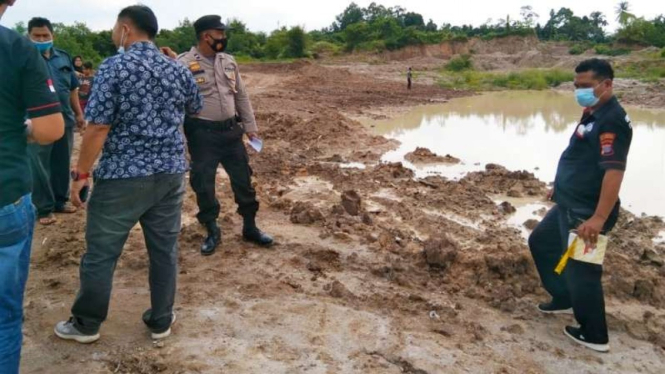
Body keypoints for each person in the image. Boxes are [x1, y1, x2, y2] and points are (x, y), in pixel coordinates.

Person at [53, 5, 202, 343]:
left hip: (124, 175)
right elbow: (195, 107)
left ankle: (86, 324)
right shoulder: (176, 69)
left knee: (101, 253)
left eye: (114, 28)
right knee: (163, 251)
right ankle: (161, 320)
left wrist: (81, 174)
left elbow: (98, 126)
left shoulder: (114, 67)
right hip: (169, 173)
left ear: (125, 28)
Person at [529, 59, 632, 353]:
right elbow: (577, 154)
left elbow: (614, 172)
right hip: (567, 202)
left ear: (606, 85)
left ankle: (594, 333)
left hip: (587, 211)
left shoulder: (611, 120)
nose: (580, 92)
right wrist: (558, 184)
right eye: (576, 87)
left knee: (583, 271)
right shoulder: (592, 111)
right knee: (542, 243)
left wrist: (599, 217)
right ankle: (563, 297)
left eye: (586, 87)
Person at [0, 0, 65, 371]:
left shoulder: (59, 58)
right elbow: (49, 129)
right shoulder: (15, 49)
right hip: (4, 194)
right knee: (3, 316)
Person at [176, 15, 273, 256]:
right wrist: (180, 139)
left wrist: (250, 127)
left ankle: (250, 227)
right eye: (220, 34)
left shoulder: (228, 61)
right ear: (206, 36)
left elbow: (241, 96)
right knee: (204, 184)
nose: (224, 38)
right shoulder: (182, 64)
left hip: (231, 132)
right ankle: (212, 230)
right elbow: (176, 104)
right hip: (202, 135)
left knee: (243, 181)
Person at [27, 17, 86, 225]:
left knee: (62, 160)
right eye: (37, 36)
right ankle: (43, 208)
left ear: (53, 35)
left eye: (45, 35)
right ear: (29, 36)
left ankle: (60, 201)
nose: (42, 39)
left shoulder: (63, 57)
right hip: (37, 120)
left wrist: (79, 114)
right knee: (39, 164)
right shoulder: (23, 57)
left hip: (65, 118)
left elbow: (72, 89)